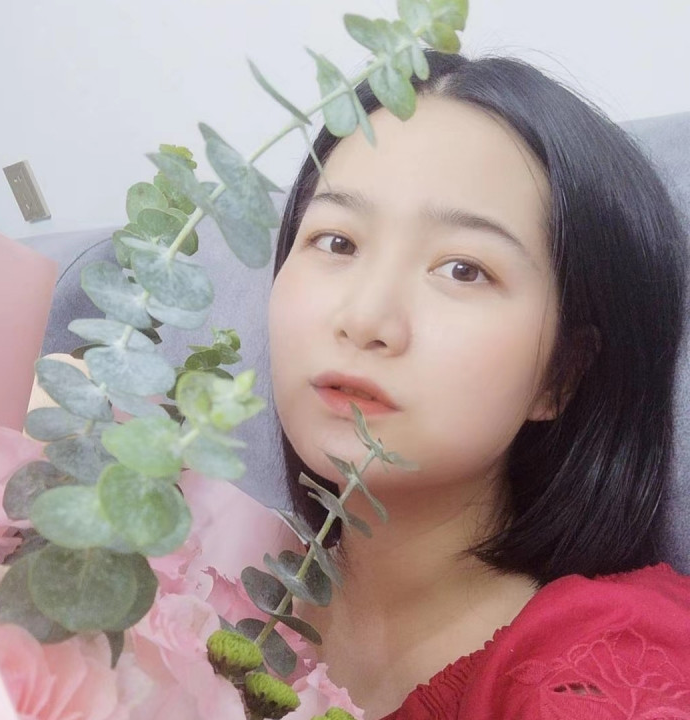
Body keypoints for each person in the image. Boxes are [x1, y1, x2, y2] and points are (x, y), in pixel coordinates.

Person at [267, 49, 690, 719]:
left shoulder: (608, 673)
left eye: (463, 269)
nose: (366, 319)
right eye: (337, 242)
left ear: (563, 373)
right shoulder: (191, 579)